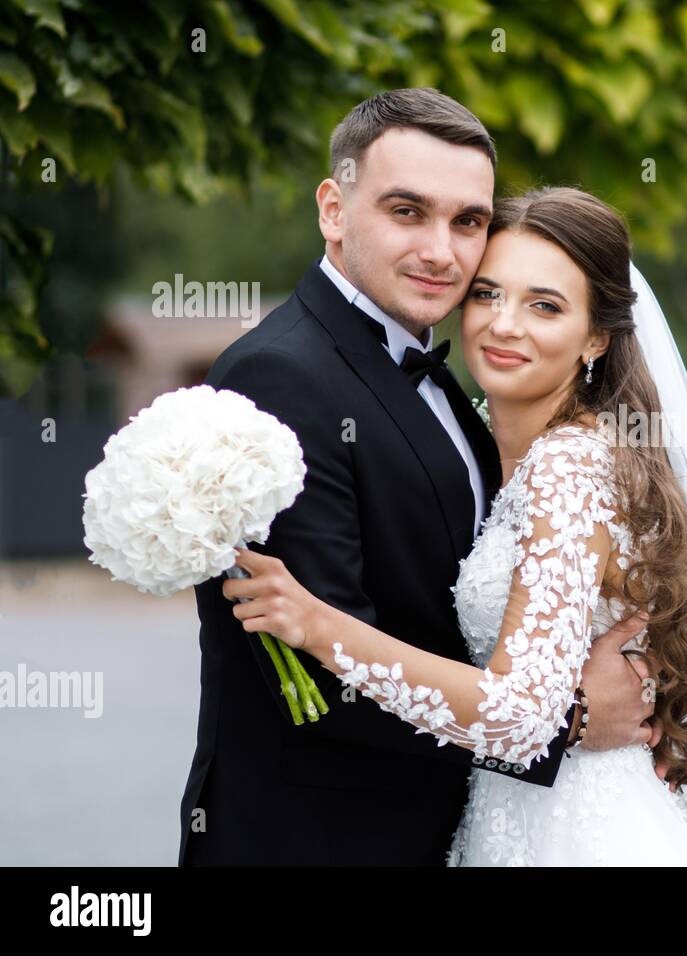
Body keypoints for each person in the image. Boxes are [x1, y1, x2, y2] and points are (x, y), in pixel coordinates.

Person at [224, 185, 687, 866]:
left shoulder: (568, 466)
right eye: (488, 294)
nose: (503, 324)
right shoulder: (508, 445)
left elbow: (518, 715)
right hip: (513, 818)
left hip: (580, 832)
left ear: (595, 337)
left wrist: (318, 625)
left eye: (544, 306)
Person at [179, 90, 655, 866]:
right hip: (317, 844)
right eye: (408, 212)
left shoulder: (457, 388)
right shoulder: (280, 377)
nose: (443, 251)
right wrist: (565, 721)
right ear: (334, 209)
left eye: (468, 221)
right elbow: (320, 683)